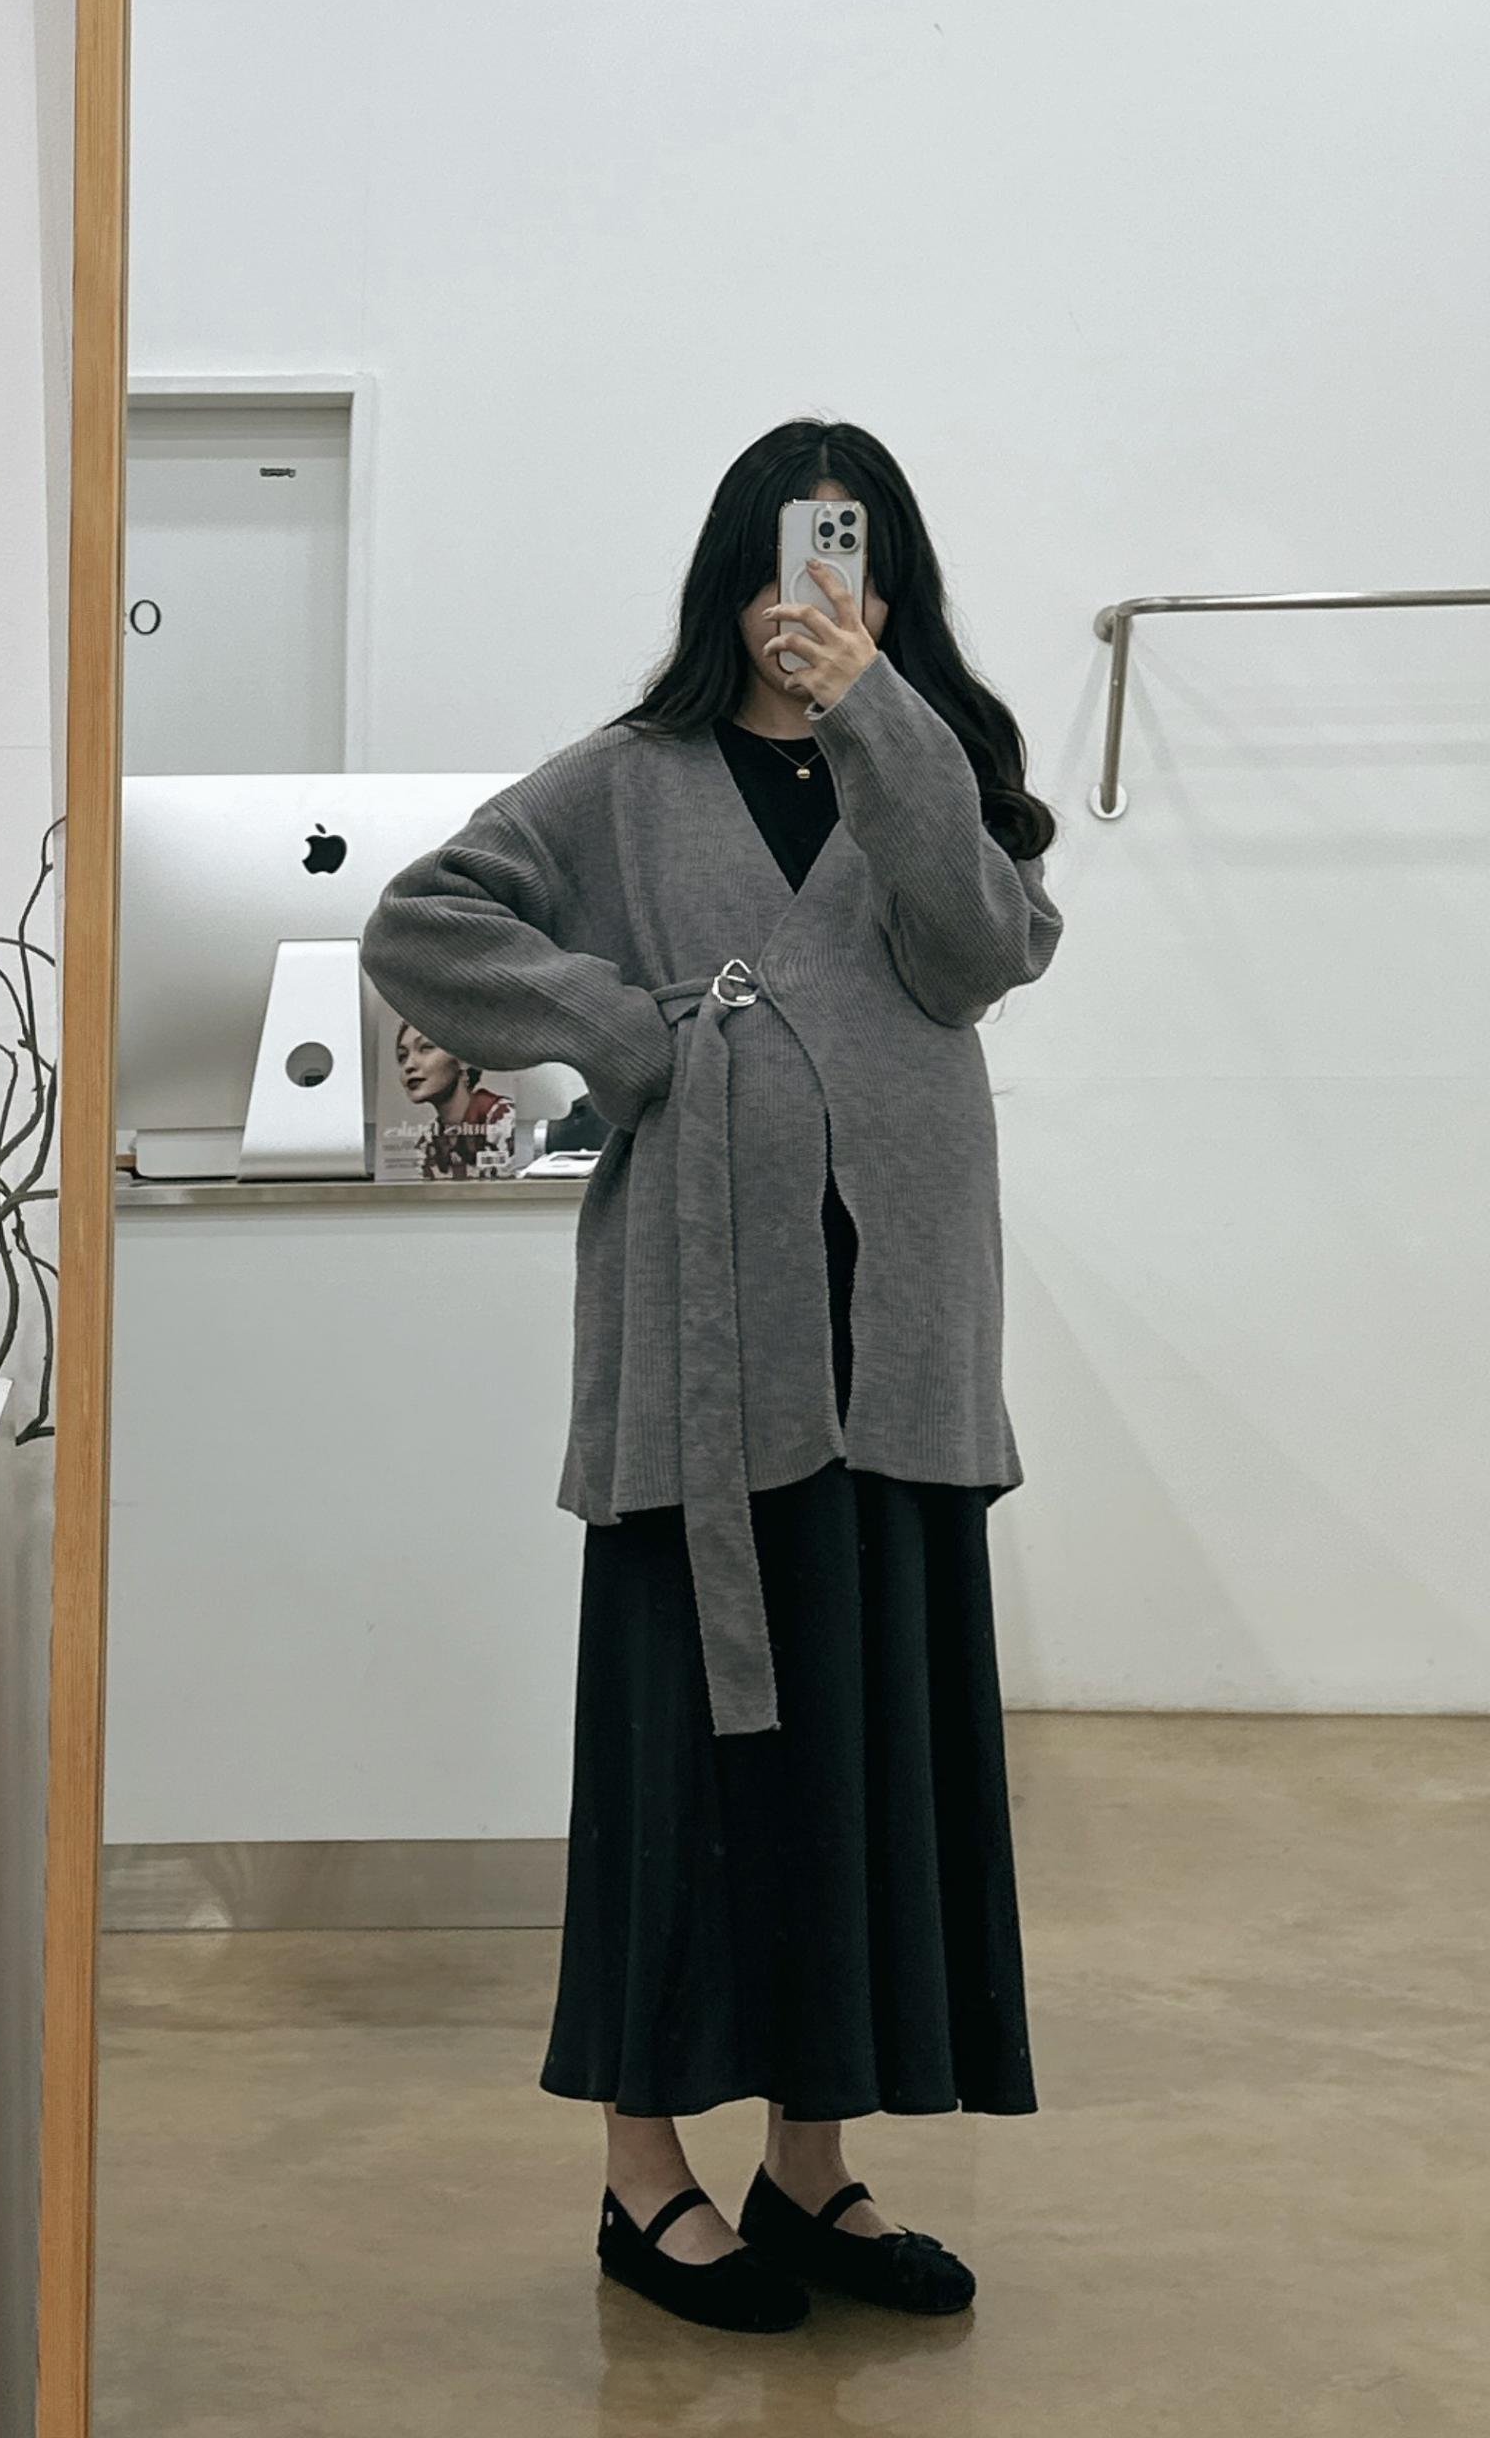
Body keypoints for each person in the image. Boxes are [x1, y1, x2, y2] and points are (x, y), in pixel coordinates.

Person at [360, 418, 1064, 2336]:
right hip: (704, 1347)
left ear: (886, 585)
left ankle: (811, 2169)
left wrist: (881, 716)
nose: (796, 599)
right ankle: (644, 2177)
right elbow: (422, 918)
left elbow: (977, 955)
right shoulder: (627, 779)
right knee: (690, 1759)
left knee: (858, 1758)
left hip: (900, 1349)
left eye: (837, 559)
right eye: (773, 559)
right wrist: (622, 1028)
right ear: (722, 580)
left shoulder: (938, 762)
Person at [392, 1019, 517, 1179]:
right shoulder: (427, 1142)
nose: (409, 1065)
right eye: (402, 1056)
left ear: (462, 1059)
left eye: (426, 1047)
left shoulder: (505, 1121)